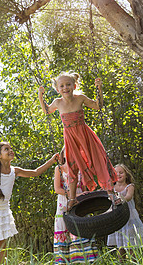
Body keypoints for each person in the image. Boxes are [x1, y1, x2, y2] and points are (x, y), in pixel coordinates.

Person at [0, 142, 59, 265]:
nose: (10, 150)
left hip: (3, 212)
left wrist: (52, 160)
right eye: (6, 149)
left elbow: (35, 172)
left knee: (2, 245)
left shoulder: (15, 171)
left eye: (11, 148)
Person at [38, 71, 117, 210]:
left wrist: (99, 89)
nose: (65, 88)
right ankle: (72, 199)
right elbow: (46, 110)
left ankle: (112, 194)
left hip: (85, 135)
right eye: (61, 86)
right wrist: (40, 95)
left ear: (74, 85)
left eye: (68, 84)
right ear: (57, 89)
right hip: (70, 139)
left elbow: (97, 106)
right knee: (72, 167)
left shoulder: (80, 98)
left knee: (98, 160)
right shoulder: (57, 102)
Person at [53, 147, 98, 265]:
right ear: (64, 154)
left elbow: (87, 187)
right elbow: (57, 189)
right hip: (64, 204)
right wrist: (74, 195)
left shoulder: (82, 169)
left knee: (81, 232)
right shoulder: (59, 169)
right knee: (64, 232)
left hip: (80, 204)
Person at [107, 164, 143, 260]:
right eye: (116, 173)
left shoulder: (130, 186)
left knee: (131, 244)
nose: (118, 174)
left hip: (129, 217)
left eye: (121, 172)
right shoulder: (112, 189)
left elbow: (128, 196)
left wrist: (121, 199)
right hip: (117, 218)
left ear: (126, 175)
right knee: (120, 246)